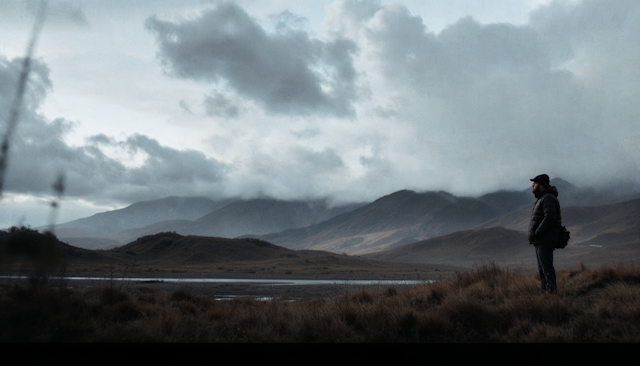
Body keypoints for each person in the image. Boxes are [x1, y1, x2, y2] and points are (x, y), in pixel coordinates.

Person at [528, 174, 561, 294]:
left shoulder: (548, 198)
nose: (532, 185)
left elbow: (550, 218)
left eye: (535, 183)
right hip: (540, 240)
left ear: (541, 186)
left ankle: (551, 296)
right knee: (542, 270)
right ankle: (546, 296)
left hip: (544, 240)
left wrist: (537, 233)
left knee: (547, 270)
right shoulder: (543, 198)